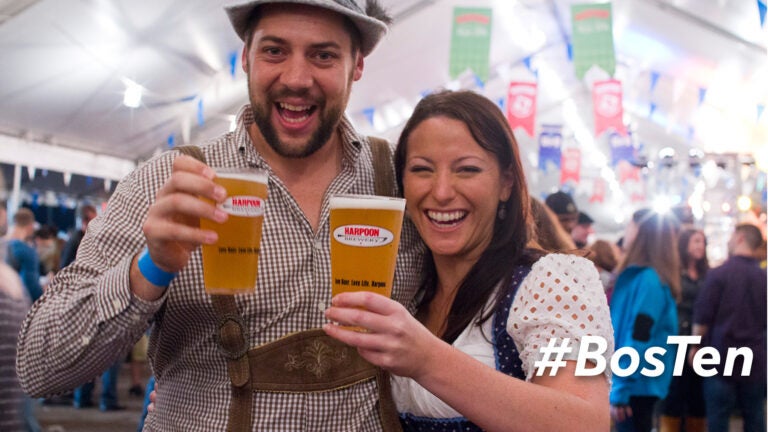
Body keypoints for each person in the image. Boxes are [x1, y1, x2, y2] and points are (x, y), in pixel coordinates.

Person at [16, 1, 423, 431]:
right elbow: (39, 367)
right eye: (274, 51)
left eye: (324, 55)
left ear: (356, 65)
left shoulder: (404, 178)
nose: (297, 79)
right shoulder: (167, 182)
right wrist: (149, 270)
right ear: (245, 57)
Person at [324, 90, 613, 431]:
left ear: (506, 182)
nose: (442, 191)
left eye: (467, 169)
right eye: (421, 169)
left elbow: (584, 423)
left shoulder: (547, 282)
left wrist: (427, 358)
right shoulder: (409, 285)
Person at [609, 208, 680, 432]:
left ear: (640, 231)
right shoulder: (644, 277)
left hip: (635, 387)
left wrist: (621, 387)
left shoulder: (648, 280)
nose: (626, 231)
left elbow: (639, 336)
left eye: (630, 225)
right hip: (636, 383)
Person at [692, 223, 766, 432]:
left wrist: (695, 347)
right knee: (755, 417)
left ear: (740, 238)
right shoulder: (763, 278)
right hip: (755, 360)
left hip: (720, 357)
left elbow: (703, 316)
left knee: (718, 419)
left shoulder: (719, 274)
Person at [658, 228, 708, 432]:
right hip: (676, 339)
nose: (700, 246)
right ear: (685, 243)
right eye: (696, 241)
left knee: (697, 395)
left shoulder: (707, 274)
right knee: (674, 393)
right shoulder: (674, 272)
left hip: (701, 341)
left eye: (703, 242)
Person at [4, 207, 42, 303]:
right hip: (17, 306)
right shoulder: (28, 251)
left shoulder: (3, 244)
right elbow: (32, 289)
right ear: (30, 226)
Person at [59, 204, 97, 269]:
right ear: (84, 222)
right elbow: (64, 265)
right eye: (94, 221)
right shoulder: (75, 240)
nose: (96, 224)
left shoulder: (89, 238)